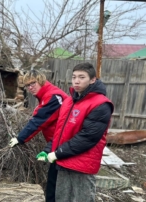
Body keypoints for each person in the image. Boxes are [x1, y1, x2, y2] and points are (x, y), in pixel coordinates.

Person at [38, 62, 113, 202]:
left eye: (81, 77)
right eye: (74, 77)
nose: (76, 81)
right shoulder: (69, 101)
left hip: (82, 165)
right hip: (63, 160)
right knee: (60, 198)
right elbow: (61, 131)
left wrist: (58, 153)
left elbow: (87, 137)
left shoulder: (101, 104)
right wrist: (49, 149)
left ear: (92, 80)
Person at [8, 69, 68, 202]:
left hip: (63, 143)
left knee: (57, 183)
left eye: (33, 83)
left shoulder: (53, 96)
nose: (30, 87)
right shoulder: (46, 95)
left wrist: (20, 138)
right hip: (57, 143)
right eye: (27, 85)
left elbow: (38, 121)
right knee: (54, 181)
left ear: (41, 81)